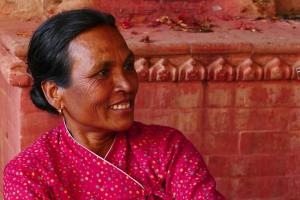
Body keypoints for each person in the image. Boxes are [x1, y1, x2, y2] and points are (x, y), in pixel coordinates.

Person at [3, 9, 225, 199]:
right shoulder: (30, 174)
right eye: (102, 72)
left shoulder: (168, 149)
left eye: (128, 66)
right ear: (54, 93)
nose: (127, 85)